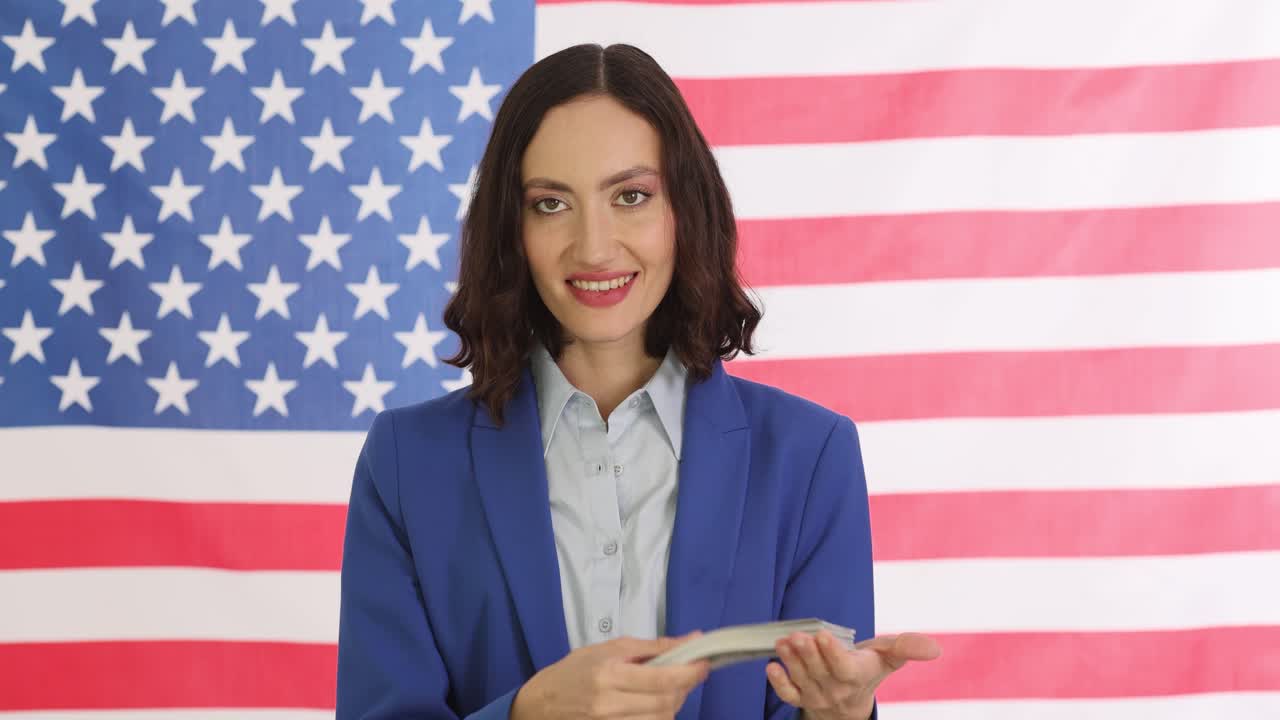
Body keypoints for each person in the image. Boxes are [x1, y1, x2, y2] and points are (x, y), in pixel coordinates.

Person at [335, 43, 940, 720]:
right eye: (550, 204)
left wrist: (840, 713)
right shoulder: (406, 463)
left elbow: (817, 701)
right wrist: (528, 713)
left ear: (685, 210)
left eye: (631, 196)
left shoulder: (809, 456)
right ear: (511, 229)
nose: (594, 247)